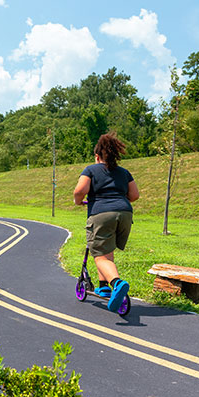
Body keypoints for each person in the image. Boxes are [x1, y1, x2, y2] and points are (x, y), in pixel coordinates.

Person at [73, 132, 139, 312]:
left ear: (97, 156)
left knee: (100, 255)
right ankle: (103, 285)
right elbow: (134, 195)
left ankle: (117, 283)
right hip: (125, 214)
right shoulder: (124, 172)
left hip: (101, 213)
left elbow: (80, 190)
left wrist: (79, 201)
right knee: (107, 250)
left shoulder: (90, 170)